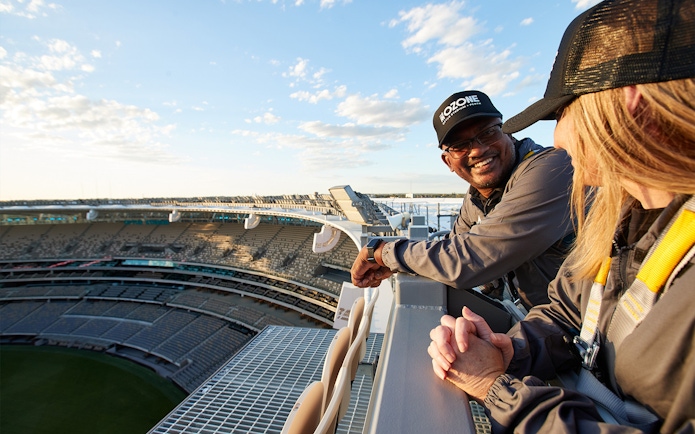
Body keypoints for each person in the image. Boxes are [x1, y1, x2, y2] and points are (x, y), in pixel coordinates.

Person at [427, 0, 695, 432]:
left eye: (563, 112)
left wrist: (495, 386)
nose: (558, 137)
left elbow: (469, 257)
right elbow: (569, 314)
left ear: (629, 105)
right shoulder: (629, 213)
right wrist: (508, 351)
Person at [350, 90, 575, 312]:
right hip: (538, 324)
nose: (477, 150)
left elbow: (470, 258)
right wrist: (396, 260)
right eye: (459, 145)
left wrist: (385, 253)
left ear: (509, 132)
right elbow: (453, 244)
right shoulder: (478, 194)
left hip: (584, 335)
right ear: (448, 162)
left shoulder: (553, 169)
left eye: (488, 133)